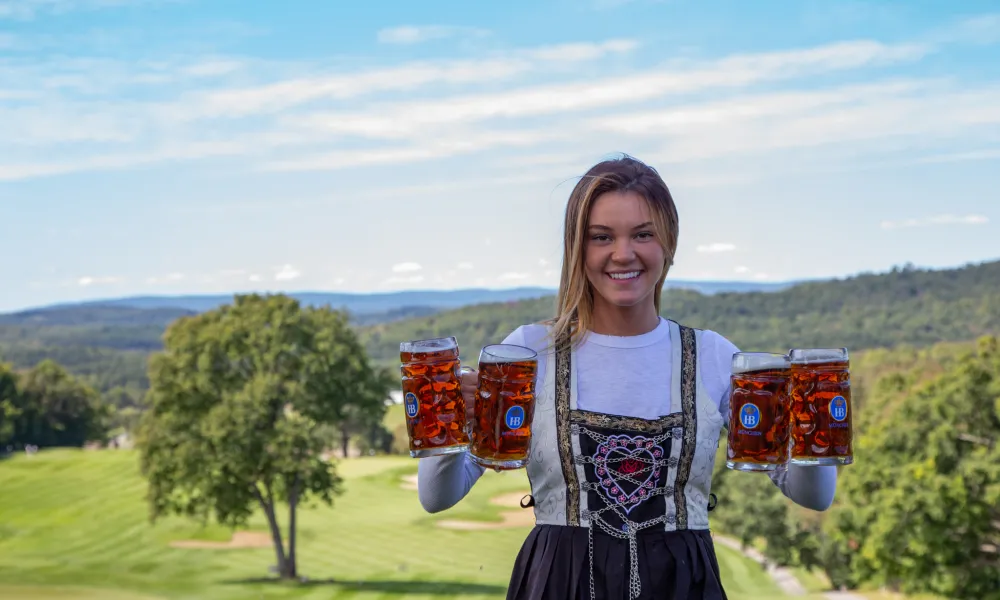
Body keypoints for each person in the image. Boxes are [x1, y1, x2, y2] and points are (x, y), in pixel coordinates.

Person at [417, 154, 837, 600]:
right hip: (560, 585)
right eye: (602, 237)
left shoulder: (714, 356)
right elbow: (438, 496)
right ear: (578, 248)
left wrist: (810, 424)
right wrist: (451, 420)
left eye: (643, 234)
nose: (623, 253)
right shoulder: (527, 353)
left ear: (668, 242)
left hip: (682, 587)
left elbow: (813, 494)